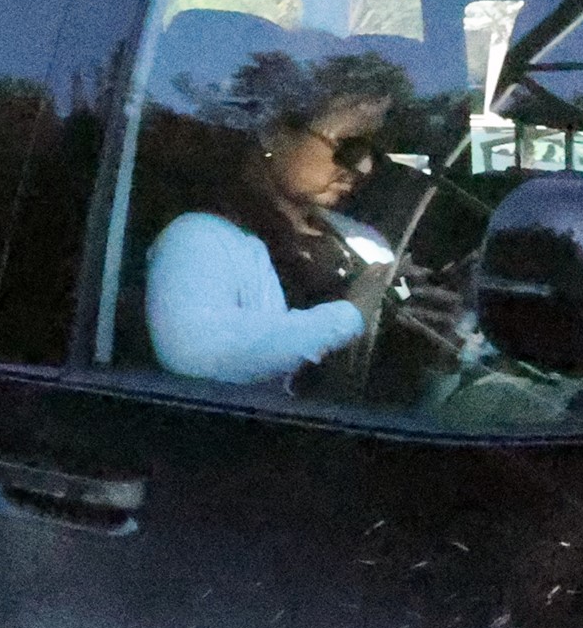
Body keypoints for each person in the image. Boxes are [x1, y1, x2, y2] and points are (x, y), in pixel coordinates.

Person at [144, 53, 409, 386]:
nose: (364, 167)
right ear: (273, 133)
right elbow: (195, 353)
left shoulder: (366, 243)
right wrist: (350, 314)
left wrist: (426, 347)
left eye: (375, 150)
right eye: (348, 145)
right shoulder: (198, 238)